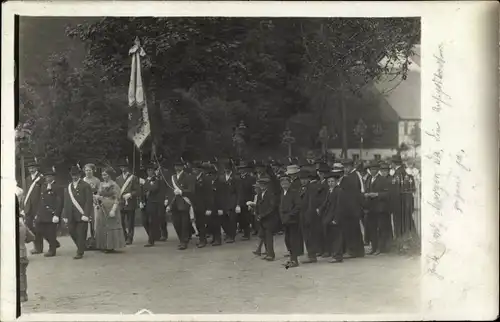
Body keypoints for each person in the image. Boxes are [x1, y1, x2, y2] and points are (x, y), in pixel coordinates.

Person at [62, 166, 93, 259]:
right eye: (72, 175)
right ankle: (82, 246)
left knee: (81, 233)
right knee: (72, 232)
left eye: (76, 175)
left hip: (81, 214)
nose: (74, 177)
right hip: (71, 215)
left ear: (79, 175)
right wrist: (65, 215)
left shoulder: (85, 185)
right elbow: (66, 201)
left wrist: (86, 214)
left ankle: (80, 252)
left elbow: (89, 201)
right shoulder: (69, 186)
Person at [93, 167, 127, 252]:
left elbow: (117, 198)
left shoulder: (114, 185)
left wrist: (113, 210)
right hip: (102, 208)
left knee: (111, 226)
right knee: (102, 225)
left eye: (105, 175)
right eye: (102, 175)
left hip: (111, 207)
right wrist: (97, 198)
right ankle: (103, 245)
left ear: (109, 175)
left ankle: (111, 246)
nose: (104, 176)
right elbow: (99, 194)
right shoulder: (101, 184)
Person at [364, 162, 393, 254]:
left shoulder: (383, 180)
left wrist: (377, 194)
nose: (372, 171)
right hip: (371, 208)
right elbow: (366, 190)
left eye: (374, 170)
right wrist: (366, 195)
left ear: (377, 170)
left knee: (381, 229)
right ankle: (374, 247)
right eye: (371, 170)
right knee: (372, 229)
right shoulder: (368, 179)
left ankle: (380, 248)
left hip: (380, 208)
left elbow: (388, 194)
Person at [339, 159, 365, 258]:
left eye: (347, 167)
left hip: (354, 207)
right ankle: (354, 250)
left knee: (354, 230)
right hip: (348, 207)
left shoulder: (356, 175)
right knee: (351, 229)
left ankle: (355, 251)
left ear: (351, 166)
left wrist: (360, 206)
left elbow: (360, 192)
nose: (345, 169)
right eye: (344, 167)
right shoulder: (348, 176)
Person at [166, 160, 195, 250]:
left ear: (183, 167)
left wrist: (182, 191)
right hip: (174, 204)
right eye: (176, 166)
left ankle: (184, 242)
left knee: (184, 224)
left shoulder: (188, 177)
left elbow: (191, 190)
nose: (177, 168)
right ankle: (182, 238)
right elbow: (170, 191)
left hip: (184, 203)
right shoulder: (172, 177)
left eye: (179, 166)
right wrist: (167, 201)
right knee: (176, 224)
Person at [34, 166, 63, 257]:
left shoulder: (58, 187)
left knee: (51, 232)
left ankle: (52, 250)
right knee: (39, 229)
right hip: (42, 213)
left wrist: (57, 214)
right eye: (46, 177)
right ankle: (55, 243)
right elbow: (40, 199)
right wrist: (37, 213)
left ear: (53, 177)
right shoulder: (43, 186)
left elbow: (60, 202)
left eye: (49, 176)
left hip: (52, 213)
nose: (48, 178)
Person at [322, 166, 348, 263]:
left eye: (332, 181)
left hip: (336, 216)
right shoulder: (329, 191)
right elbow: (326, 203)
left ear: (336, 182)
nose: (330, 183)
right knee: (332, 236)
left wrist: (336, 219)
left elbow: (339, 206)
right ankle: (334, 253)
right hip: (329, 216)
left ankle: (338, 256)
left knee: (337, 237)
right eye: (328, 182)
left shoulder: (339, 191)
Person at [279, 175, 302, 268]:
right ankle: (291, 258)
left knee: (293, 240)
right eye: (282, 183)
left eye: (286, 183)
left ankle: (294, 260)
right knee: (287, 240)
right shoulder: (282, 193)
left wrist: (290, 215)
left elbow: (298, 206)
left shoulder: (294, 193)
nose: (284, 185)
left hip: (293, 220)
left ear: (289, 183)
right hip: (285, 220)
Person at [115, 160, 140, 245]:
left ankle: (130, 238)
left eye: (124, 167)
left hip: (130, 202)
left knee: (130, 222)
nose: (123, 168)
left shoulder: (133, 178)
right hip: (121, 202)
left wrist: (130, 194)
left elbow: (137, 190)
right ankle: (124, 236)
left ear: (127, 167)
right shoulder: (118, 179)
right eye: (121, 167)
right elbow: (117, 190)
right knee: (121, 221)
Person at [214, 160, 239, 244]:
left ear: (231, 169)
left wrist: (238, 204)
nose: (227, 170)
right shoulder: (220, 178)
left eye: (228, 169)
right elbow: (218, 190)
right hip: (223, 201)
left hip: (232, 200)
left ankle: (232, 236)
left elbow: (239, 192)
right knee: (223, 219)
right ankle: (228, 234)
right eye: (225, 169)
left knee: (232, 220)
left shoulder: (236, 178)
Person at [300, 170, 321, 264]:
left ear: (308, 179)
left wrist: (308, 216)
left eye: (305, 179)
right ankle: (310, 254)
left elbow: (311, 203)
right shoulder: (302, 188)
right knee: (306, 236)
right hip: (303, 215)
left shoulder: (311, 187)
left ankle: (312, 256)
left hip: (309, 215)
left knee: (310, 236)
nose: (303, 181)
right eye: (301, 179)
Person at [191, 162, 214, 248]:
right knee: (198, 223)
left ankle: (203, 240)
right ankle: (201, 238)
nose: (193, 171)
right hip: (195, 204)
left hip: (203, 205)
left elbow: (209, 194)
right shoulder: (193, 178)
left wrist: (209, 208)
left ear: (199, 170)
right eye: (193, 169)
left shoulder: (206, 179)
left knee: (202, 224)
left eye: (195, 169)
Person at [23, 160, 43, 254]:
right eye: (30, 168)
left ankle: (39, 248)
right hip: (28, 207)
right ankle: (36, 247)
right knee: (30, 227)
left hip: (38, 207)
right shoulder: (27, 179)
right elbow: (26, 193)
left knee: (38, 228)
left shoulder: (41, 178)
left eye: (33, 167)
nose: (31, 169)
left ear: (36, 168)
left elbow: (42, 194)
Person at [140, 163, 163, 247]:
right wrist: (141, 201)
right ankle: (155, 236)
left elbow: (154, 189)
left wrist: (147, 184)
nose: (149, 172)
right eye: (148, 170)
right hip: (145, 203)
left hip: (153, 202)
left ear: (154, 171)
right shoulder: (146, 180)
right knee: (144, 221)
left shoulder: (156, 179)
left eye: (151, 170)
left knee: (152, 221)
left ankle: (151, 240)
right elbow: (142, 192)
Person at [255, 177, 277, 261]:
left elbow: (272, 207)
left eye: (263, 185)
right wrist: (257, 214)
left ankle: (271, 254)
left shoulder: (271, 194)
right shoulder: (260, 194)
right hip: (262, 219)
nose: (262, 186)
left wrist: (262, 215)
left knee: (269, 237)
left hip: (269, 219)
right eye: (260, 185)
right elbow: (257, 205)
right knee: (264, 237)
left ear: (267, 185)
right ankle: (268, 253)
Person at [236, 161, 256, 240]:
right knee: (241, 219)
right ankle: (244, 232)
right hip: (239, 201)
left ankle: (247, 234)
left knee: (247, 218)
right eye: (240, 169)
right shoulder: (237, 179)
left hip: (248, 201)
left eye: (243, 169)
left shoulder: (251, 178)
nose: (242, 170)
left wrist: (251, 202)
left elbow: (253, 191)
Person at [83, 163, 101, 250]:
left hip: (95, 203)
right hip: (86, 203)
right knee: (87, 222)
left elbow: (100, 191)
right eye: (86, 170)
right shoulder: (82, 180)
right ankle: (87, 242)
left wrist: (96, 197)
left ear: (93, 171)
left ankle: (96, 241)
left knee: (95, 222)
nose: (88, 172)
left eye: (89, 170)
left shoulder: (97, 180)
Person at [19, 214, 35, 302]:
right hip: (23, 254)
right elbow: (31, 237)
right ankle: (24, 294)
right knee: (22, 274)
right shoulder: (22, 224)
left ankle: (20, 294)